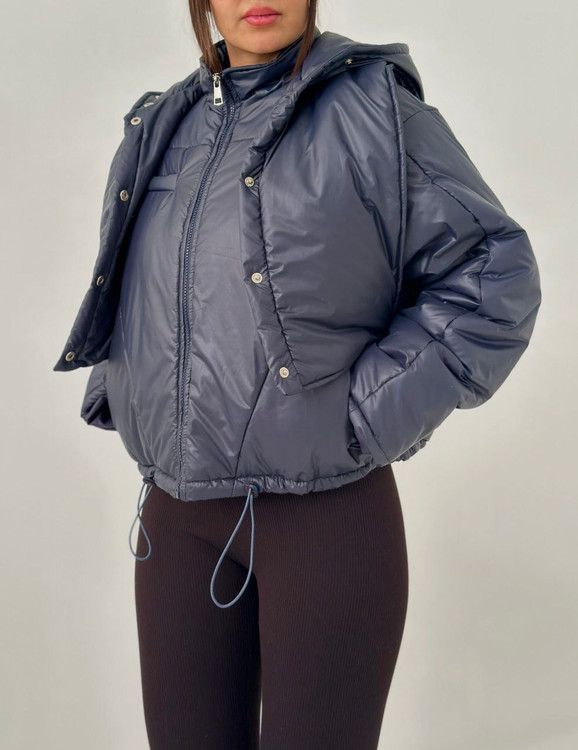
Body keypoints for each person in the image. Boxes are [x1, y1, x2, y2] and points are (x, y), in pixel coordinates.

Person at [53, 1, 542, 747]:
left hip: (324, 523)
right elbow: (139, 281)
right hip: (175, 522)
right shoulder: (165, 121)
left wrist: (362, 417)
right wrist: (126, 389)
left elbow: (495, 273)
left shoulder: (374, 109)